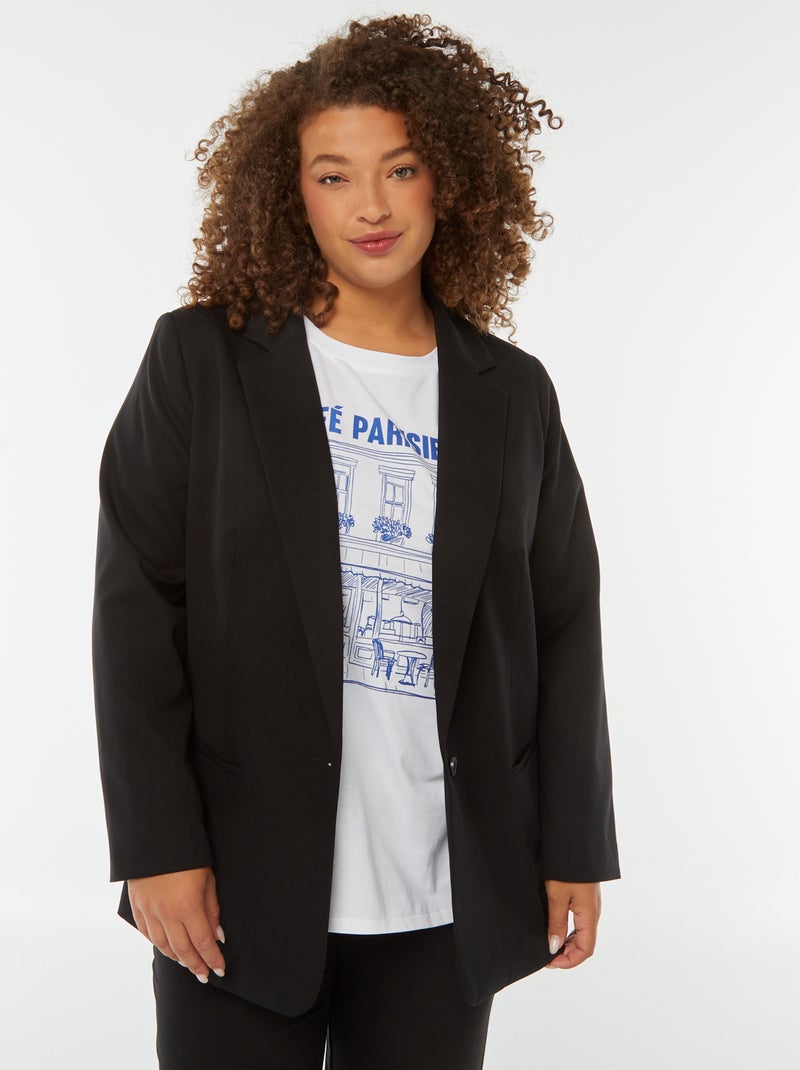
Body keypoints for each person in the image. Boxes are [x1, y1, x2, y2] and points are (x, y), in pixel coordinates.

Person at [91, 13, 621, 1070]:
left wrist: (574, 843)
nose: (370, 206)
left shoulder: (511, 393)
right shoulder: (203, 359)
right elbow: (137, 607)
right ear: (289, 193)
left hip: (445, 890)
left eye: (400, 168)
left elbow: (562, 622)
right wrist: (156, 846)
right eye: (332, 176)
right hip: (238, 885)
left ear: (449, 180)